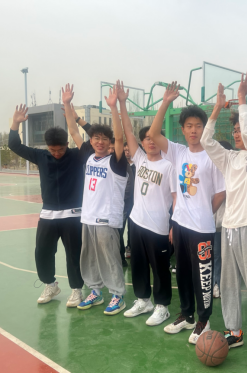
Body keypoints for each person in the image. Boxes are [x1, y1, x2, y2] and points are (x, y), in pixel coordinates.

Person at [201, 75, 247, 368]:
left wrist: (242, 100)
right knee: (229, 284)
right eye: (233, 130)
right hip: (229, 229)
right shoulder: (229, 158)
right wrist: (216, 109)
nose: (236, 134)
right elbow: (206, 141)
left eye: (240, 130)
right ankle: (234, 331)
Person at [147, 82, 226, 345]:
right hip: (179, 224)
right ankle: (187, 315)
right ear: (182, 129)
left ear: (205, 128)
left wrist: (204, 212)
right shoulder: (178, 152)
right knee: (181, 272)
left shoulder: (213, 156)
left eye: (198, 126)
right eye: (189, 126)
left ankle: (204, 319)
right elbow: (153, 132)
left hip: (202, 228)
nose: (193, 130)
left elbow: (221, 193)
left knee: (201, 275)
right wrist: (165, 102)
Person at [112, 81, 177, 326]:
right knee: (138, 265)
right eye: (146, 139)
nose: (151, 142)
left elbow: (176, 198)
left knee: (160, 268)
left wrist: (174, 225)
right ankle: (143, 300)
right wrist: (122, 103)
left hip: (159, 226)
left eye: (154, 138)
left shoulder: (169, 165)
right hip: (136, 222)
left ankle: (162, 306)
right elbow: (128, 131)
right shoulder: (139, 159)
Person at [8, 104, 85, 307]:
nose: (57, 153)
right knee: (42, 252)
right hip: (48, 215)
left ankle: (77, 289)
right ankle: (50, 285)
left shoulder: (77, 155)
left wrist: (73, 116)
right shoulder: (41, 156)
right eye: (53, 150)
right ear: (47, 147)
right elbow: (14, 145)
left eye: (61, 149)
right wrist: (15, 123)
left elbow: (89, 144)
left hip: (73, 215)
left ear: (67, 144)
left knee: (74, 254)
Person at [63, 84, 128, 316]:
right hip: (88, 217)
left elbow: (119, 137)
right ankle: (96, 291)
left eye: (104, 139)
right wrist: (67, 104)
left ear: (109, 142)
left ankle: (117, 294)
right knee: (89, 257)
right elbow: (73, 130)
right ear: (91, 141)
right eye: (96, 138)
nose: (100, 141)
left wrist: (114, 107)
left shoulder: (116, 162)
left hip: (106, 219)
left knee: (109, 258)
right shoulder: (89, 157)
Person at [213, 140, 234, 299]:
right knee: (214, 256)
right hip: (210, 224)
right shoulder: (209, 170)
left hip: (227, 224)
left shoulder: (232, 173)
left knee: (225, 257)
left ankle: (221, 285)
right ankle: (215, 283)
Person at [121, 141, 136, 263]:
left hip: (135, 202)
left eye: (129, 150)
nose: (127, 152)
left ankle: (130, 247)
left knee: (132, 228)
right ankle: (120, 252)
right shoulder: (120, 165)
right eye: (125, 150)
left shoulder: (139, 165)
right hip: (123, 202)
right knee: (120, 227)